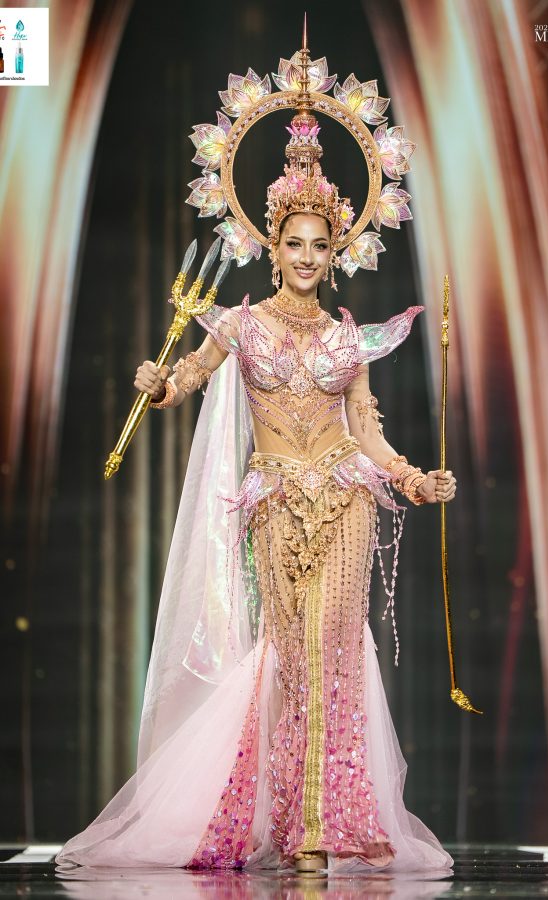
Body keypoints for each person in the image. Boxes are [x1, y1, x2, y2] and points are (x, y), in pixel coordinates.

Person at [56, 50, 456, 879]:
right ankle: (286, 813)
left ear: (336, 249)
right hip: (273, 504)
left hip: (345, 499)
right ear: (273, 245)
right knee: (291, 654)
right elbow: (186, 380)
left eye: (321, 244)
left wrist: (413, 479)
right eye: (294, 243)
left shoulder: (348, 339)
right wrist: (159, 385)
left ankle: (325, 821)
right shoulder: (239, 326)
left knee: (333, 648)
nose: (307, 256)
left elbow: (367, 428)